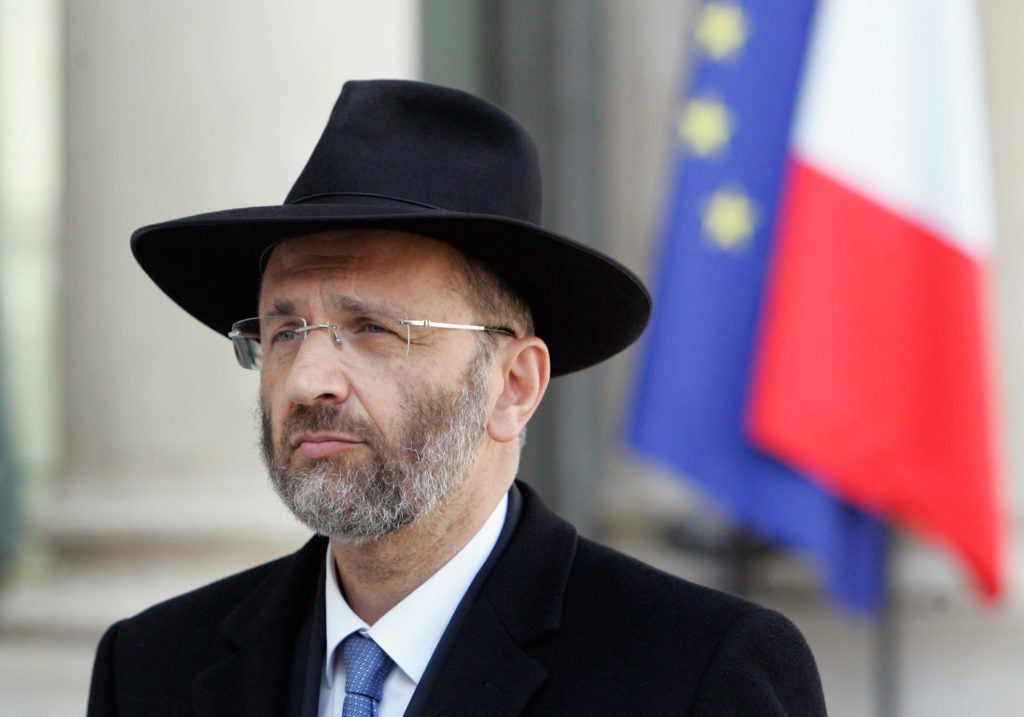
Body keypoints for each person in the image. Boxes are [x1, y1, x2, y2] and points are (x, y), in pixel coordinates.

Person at [86, 79, 826, 716]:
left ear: (513, 385)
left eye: (372, 327)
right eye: (284, 330)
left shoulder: (693, 673)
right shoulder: (153, 669)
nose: (310, 378)